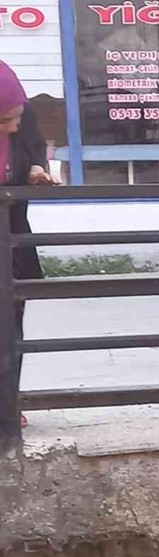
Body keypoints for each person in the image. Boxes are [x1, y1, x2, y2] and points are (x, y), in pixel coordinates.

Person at [0, 61, 55, 429]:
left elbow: (33, 147)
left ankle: (6, 406)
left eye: (16, 116)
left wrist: (36, 168)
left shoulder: (19, 105)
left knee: (10, 327)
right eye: (5, 120)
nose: (13, 126)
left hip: (11, 238)